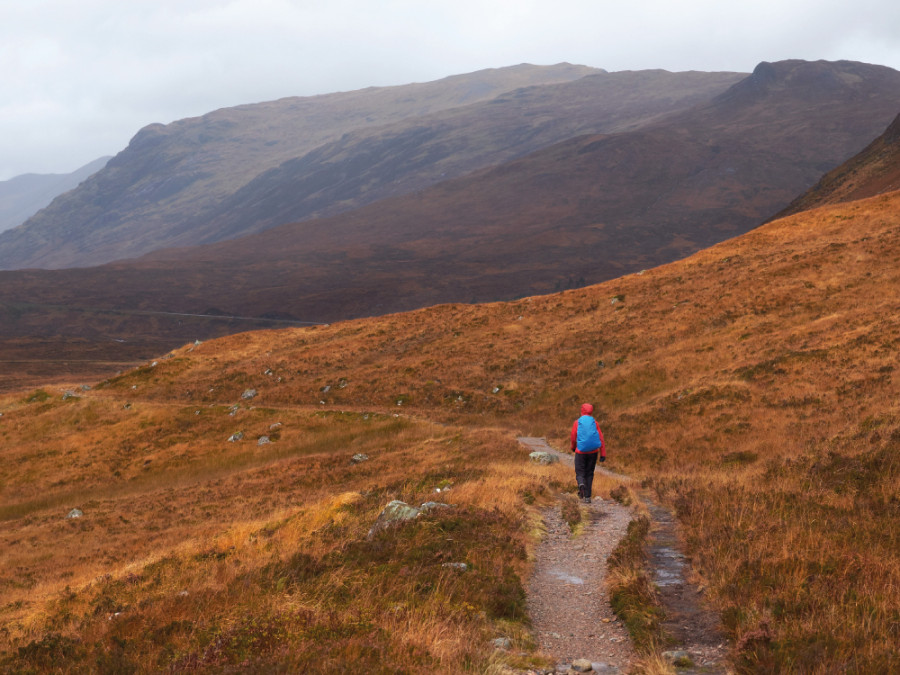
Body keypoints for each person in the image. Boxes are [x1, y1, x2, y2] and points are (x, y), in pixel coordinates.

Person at [570, 403, 605, 504]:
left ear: (582, 410)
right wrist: (603, 454)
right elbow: (601, 439)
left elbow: (573, 437)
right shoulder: (595, 423)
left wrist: (573, 447)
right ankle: (588, 497)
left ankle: (581, 484)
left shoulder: (577, 422)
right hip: (593, 452)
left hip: (580, 451)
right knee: (589, 473)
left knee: (580, 472)